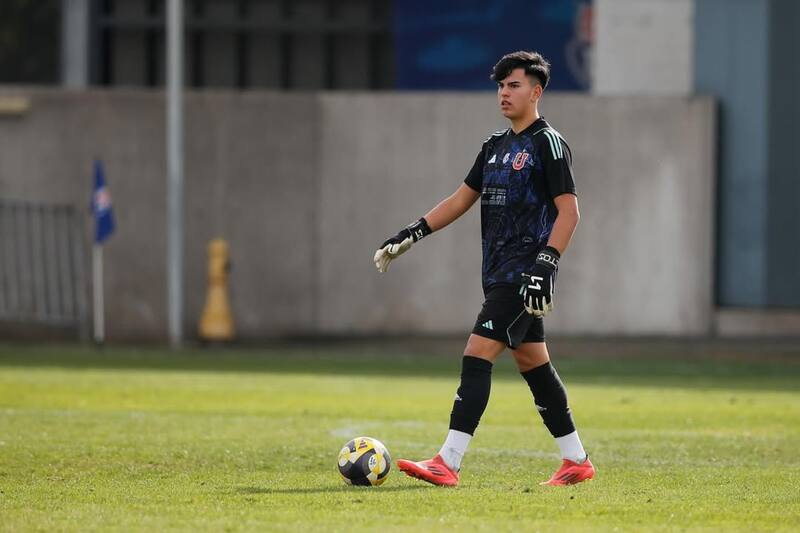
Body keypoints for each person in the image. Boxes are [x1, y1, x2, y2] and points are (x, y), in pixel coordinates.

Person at [373, 51, 595, 487]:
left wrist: (545, 266)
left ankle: (448, 461)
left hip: (523, 274)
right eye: (500, 86)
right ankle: (576, 460)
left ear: (537, 91)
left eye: (513, 85)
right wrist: (412, 233)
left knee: (477, 353)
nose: (504, 93)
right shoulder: (494, 147)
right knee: (532, 362)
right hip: (496, 272)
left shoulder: (548, 143)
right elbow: (460, 199)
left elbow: (569, 212)